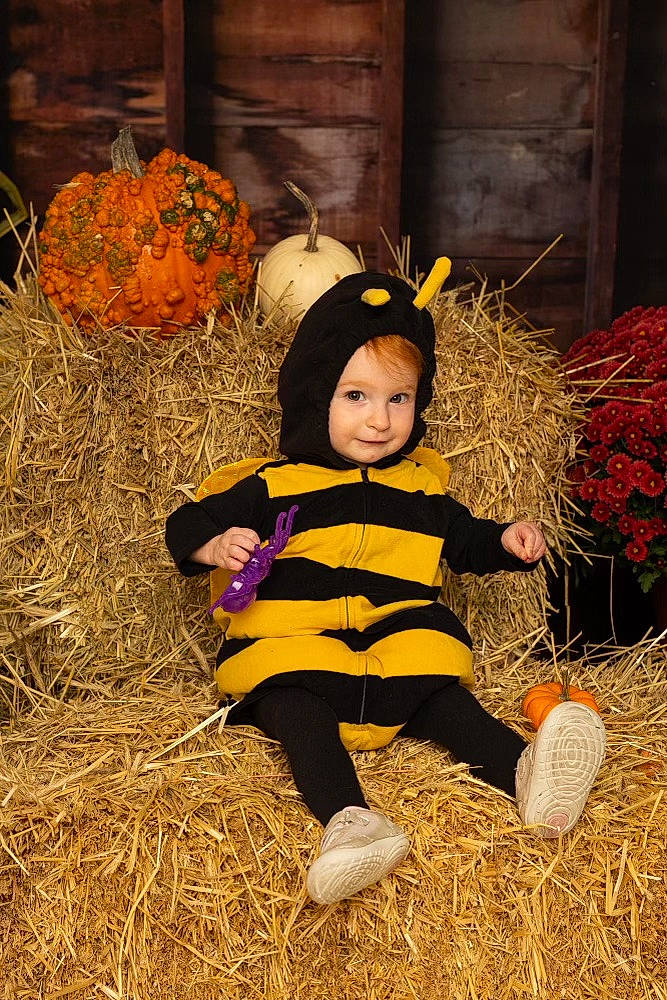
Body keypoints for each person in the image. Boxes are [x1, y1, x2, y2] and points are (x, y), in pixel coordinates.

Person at [166, 261, 606, 905]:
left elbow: (464, 540)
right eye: (356, 397)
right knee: (297, 712)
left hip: (397, 648)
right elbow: (186, 523)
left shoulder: (420, 489)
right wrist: (215, 545)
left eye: (398, 399)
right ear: (316, 395)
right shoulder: (275, 485)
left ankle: (528, 775)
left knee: (447, 702)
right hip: (297, 649)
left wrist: (507, 541)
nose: (379, 420)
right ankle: (350, 823)